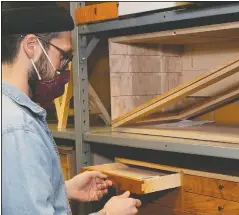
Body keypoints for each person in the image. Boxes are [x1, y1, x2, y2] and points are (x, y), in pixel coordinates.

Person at [2, 2, 141, 215]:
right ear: (31, 46)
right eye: (63, 55)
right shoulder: (19, 129)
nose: (64, 67)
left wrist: (62, 189)